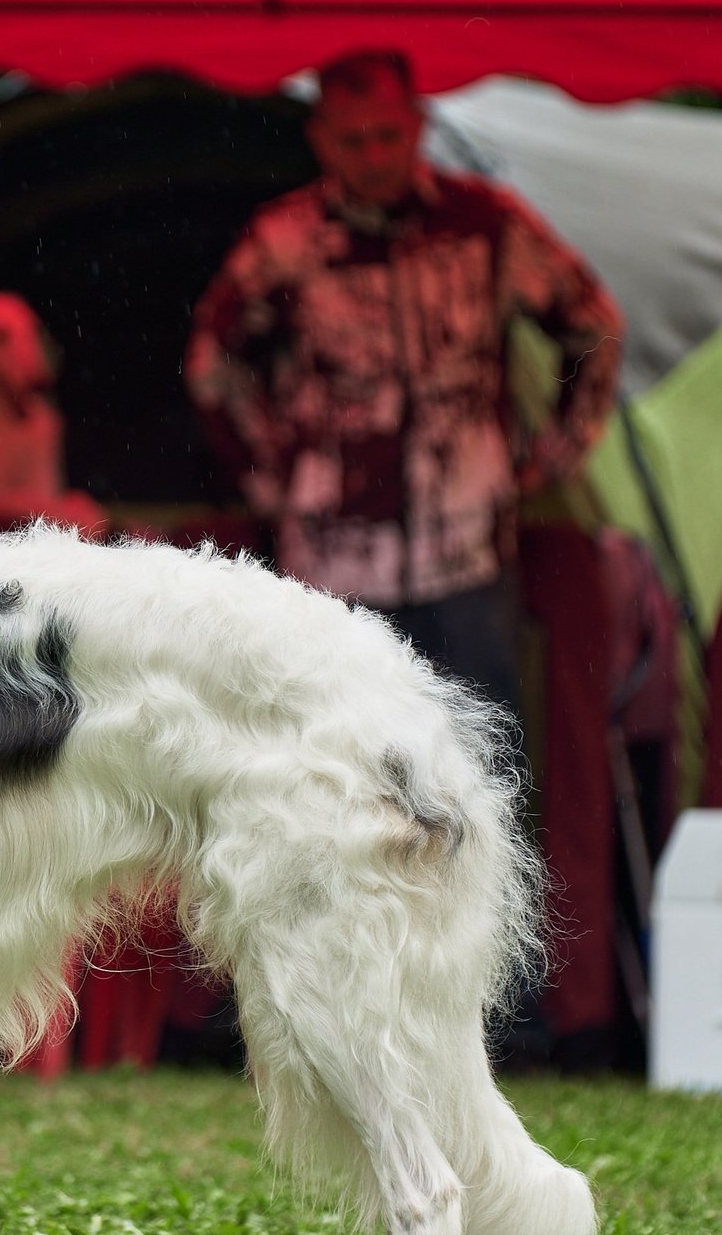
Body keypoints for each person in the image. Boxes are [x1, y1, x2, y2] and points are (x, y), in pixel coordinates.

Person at [185, 50, 623, 732]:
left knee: (479, 751)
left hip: (468, 551)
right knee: (334, 752)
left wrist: (559, 451)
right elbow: (214, 364)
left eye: (388, 135)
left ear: (418, 126)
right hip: (330, 564)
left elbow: (594, 325)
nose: (374, 156)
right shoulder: (284, 241)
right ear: (321, 139)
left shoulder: (485, 224)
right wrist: (271, 479)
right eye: (354, 140)